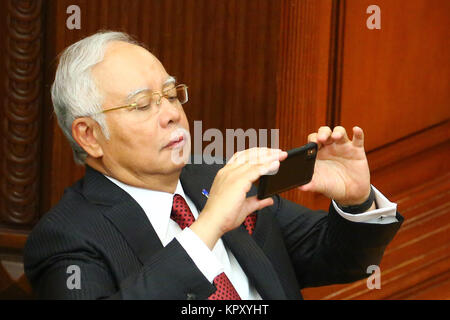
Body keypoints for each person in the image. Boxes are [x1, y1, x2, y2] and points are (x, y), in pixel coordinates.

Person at [24, 31, 403, 300]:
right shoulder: (67, 236)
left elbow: (340, 261)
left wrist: (357, 201)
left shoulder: (219, 180)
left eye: (171, 94)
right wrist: (206, 229)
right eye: (142, 104)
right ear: (89, 135)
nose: (172, 114)